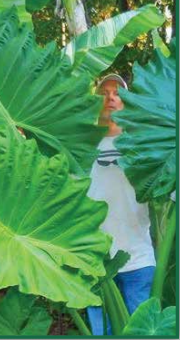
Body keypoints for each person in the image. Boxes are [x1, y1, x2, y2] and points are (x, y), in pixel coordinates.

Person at [87, 73, 156, 336]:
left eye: (117, 93)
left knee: (139, 332)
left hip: (137, 255)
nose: (111, 98)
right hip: (95, 256)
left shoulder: (144, 146)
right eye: (104, 93)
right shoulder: (81, 146)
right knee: (99, 333)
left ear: (125, 102)